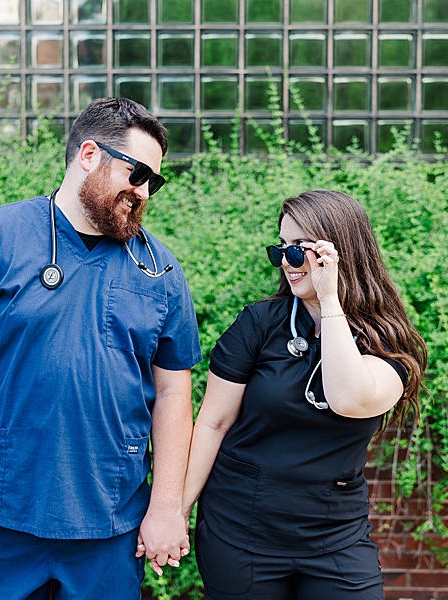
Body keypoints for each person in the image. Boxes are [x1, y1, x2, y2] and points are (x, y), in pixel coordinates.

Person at [0, 97, 201, 600]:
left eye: (155, 181)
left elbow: (174, 393)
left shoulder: (160, 271)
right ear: (89, 154)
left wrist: (167, 505)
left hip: (109, 524)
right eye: (136, 173)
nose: (144, 191)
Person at [181, 190, 427, 600]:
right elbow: (213, 422)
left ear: (340, 251)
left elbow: (349, 399)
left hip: (334, 536)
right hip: (240, 529)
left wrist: (330, 299)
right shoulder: (260, 324)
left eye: (300, 249)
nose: (286, 262)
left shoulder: (387, 343)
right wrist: (177, 512)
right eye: (281, 249)